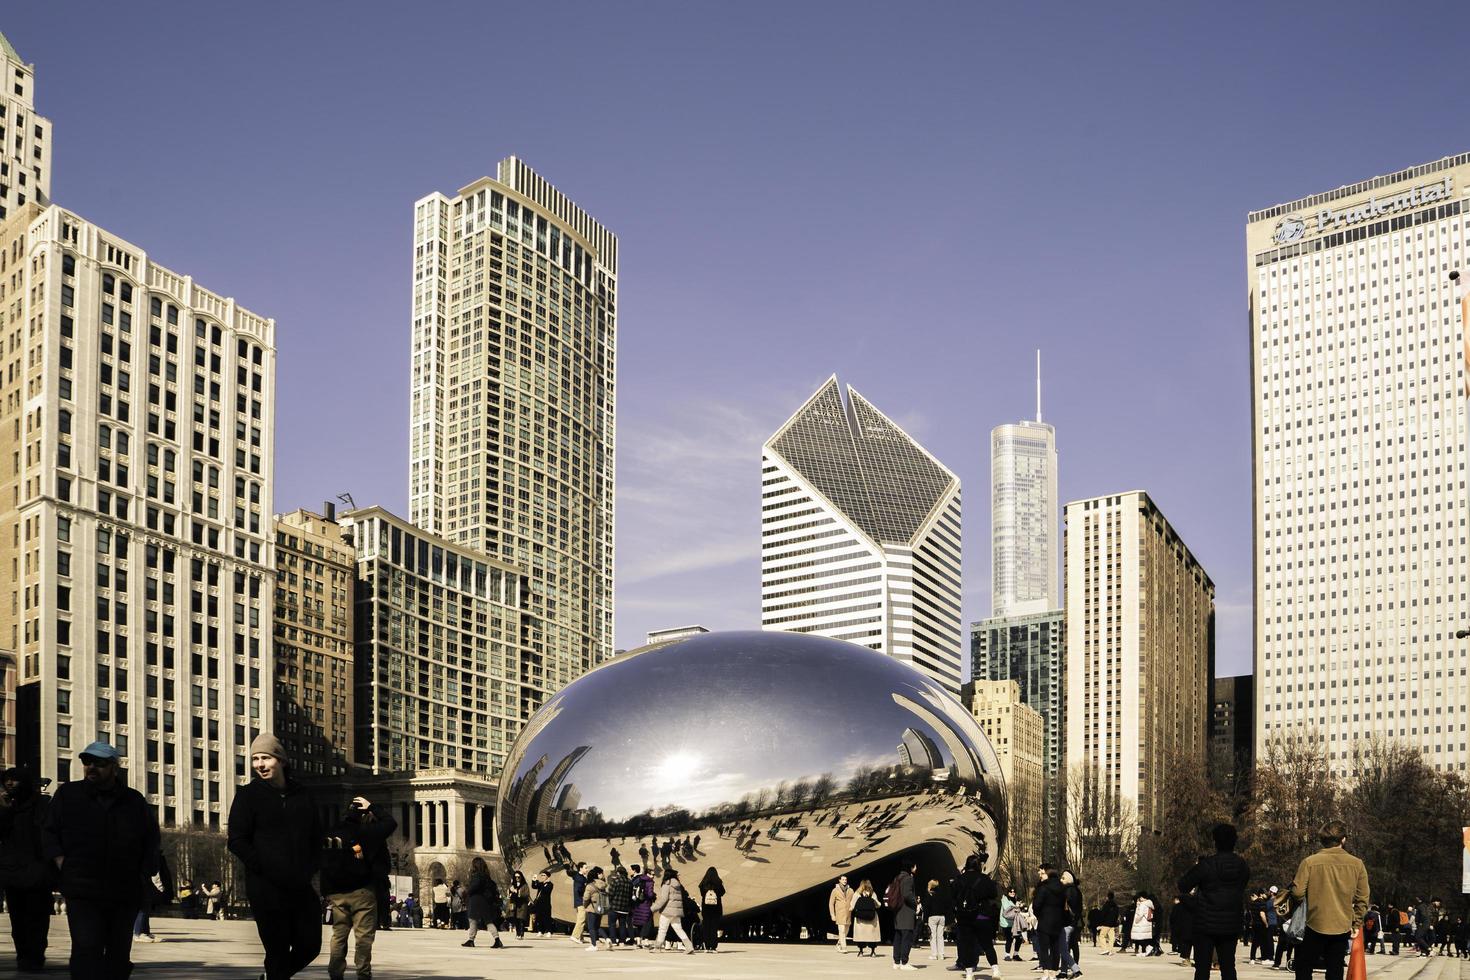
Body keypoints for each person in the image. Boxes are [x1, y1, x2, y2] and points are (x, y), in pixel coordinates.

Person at [41, 740, 159, 980]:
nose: (91, 767)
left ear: (115, 768)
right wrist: (61, 861)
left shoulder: (133, 800)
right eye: (87, 762)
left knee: (118, 953)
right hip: (82, 887)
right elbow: (48, 831)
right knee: (86, 948)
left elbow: (151, 839)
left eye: (99, 763)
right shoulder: (68, 794)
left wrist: (144, 872)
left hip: (123, 890)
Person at [227, 732, 323, 980]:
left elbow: (316, 836)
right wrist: (263, 866)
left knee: (310, 946)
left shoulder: (303, 795)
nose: (259, 764)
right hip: (265, 888)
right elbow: (237, 840)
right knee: (277, 950)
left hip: (299, 886)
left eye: (265, 758)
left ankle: (275, 976)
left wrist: (309, 868)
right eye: (255, 759)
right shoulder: (247, 796)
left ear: (280, 760)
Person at [319, 795, 396, 980]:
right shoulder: (368, 831)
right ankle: (363, 974)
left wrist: (325, 891)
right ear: (364, 815)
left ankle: (335, 974)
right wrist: (373, 806)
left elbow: (322, 860)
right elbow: (390, 823)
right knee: (363, 938)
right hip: (362, 891)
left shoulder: (331, 832)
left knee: (339, 935)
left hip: (336, 893)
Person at [1290, 819, 1370, 980]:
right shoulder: (1357, 864)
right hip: (1342, 924)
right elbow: (1363, 898)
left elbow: (1297, 893)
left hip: (1315, 922)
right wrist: (1356, 922)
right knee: (1335, 968)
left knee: (1304, 965)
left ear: (1322, 840)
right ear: (1343, 839)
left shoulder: (1309, 862)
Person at [1178, 822, 1249, 980]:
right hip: (1231, 922)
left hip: (1205, 922)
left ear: (1215, 841)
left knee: (1202, 969)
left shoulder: (1206, 865)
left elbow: (1183, 885)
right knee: (1229, 967)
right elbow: (1242, 886)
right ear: (1234, 841)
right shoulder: (1242, 865)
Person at [0, 766, 54, 973]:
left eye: (14, 780)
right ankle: (24, 955)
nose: (9, 783)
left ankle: (35, 955)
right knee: (18, 920)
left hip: (38, 872)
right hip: (13, 874)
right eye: (7, 780)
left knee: (37, 918)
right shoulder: (7, 808)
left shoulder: (42, 805)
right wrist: (4, 809)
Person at [952, 853, 999, 980]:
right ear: (979, 865)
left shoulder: (959, 879)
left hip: (964, 916)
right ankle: (995, 970)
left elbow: (953, 895)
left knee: (967, 944)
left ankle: (969, 973)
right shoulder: (984, 879)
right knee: (987, 944)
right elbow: (993, 894)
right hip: (981, 915)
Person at [649, 867, 694, 954]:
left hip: (667, 911)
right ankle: (689, 946)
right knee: (679, 929)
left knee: (662, 929)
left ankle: (657, 947)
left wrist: (653, 908)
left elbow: (664, 899)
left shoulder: (667, 884)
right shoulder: (677, 884)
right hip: (676, 911)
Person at [462, 856, 504, 948]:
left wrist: (467, 890)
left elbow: (474, 887)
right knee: (487, 921)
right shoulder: (486, 876)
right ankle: (497, 939)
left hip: (476, 900)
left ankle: (471, 940)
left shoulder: (477, 875)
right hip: (484, 901)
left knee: (473, 920)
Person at [1032, 865, 1068, 972]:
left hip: (1044, 920)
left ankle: (1046, 971)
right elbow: (1064, 906)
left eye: (1042, 874)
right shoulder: (1062, 889)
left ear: (1047, 874)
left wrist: (1039, 915)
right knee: (1055, 948)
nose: (1040, 876)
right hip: (1057, 921)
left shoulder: (1043, 888)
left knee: (1043, 948)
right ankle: (1053, 972)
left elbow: (1036, 905)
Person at [891, 858, 919, 970]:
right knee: (907, 937)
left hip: (898, 911)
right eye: (915, 866)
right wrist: (916, 903)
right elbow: (907, 895)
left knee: (898, 936)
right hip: (906, 911)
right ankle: (904, 962)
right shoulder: (908, 879)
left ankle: (896, 962)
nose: (916, 868)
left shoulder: (897, 877)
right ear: (911, 867)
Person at [850, 879, 882, 956]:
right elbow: (878, 905)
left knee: (861, 935)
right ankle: (873, 951)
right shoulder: (872, 893)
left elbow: (852, 905)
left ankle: (861, 951)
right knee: (872, 936)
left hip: (860, 918)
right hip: (871, 918)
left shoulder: (857, 894)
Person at [698, 867, 725, 952]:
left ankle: (707, 946)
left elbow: (702, 893)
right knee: (714, 928)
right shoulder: (718, 882)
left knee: (706, 927)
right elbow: (723, 892)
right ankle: (713, 947)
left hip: (706, 908)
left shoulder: (703, 883)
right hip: (716, 908)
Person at [629, 864, 656, 947]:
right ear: (647, 874)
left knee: (638, 922)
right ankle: (645, 940)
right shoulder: (649, 882)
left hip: (637, 904)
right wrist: (654, 896)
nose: (653, 876)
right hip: (646, 904)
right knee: (648, 922)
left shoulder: (638, 879)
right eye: (651, 874)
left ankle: (638, 941)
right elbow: (650, 894)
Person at [925, 877, 951, 962]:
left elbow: (927, 908)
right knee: (940, 936)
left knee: (933, 936)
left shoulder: (930, 895)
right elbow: (947, 906)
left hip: (932, 917)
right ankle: (941, 954)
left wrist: (925, 920)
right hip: (942, 917)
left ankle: (934, 954)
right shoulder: (942, 894)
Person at [606, 864, 632, 947]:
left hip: (614, 907)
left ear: (618, 873)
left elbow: (610, 893)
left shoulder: (615, 881)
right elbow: (630, 895)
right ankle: (622, 941)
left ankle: (613, 940)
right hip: (625, 908)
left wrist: (610, 902)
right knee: (623, 925)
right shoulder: (629, 882)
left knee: (612, 924)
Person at [582, 866, 608, 951]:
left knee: (591, 927)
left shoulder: (590, 886)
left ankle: (594, 945)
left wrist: (585, 906)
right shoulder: (603, 884)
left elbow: (586, 898)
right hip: (600, 907)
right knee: (597, 926)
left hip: (592, 908)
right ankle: (607, 939)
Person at [829, 874, 853, 952]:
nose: (845, 881)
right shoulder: (835, 890)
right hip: (839, 914)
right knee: (841, 930)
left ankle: (839, 944)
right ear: (839, 880)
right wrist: (832, 914)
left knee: (846, 930)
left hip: (848, 913)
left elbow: (854, 900)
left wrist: (852, 907)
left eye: (845, 879)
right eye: (843, 879)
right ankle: (844, 947)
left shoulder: (850, 890)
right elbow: (831, 903)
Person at [567, 861, 588, 943]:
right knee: (581, 919)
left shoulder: (578, 876)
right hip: (581, 901)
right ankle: (575, 936)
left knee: (580, 919)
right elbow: (579, 889)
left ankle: (580, 937)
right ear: (581, 868)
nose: (587, 869)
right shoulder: (580, 878)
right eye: (585, 868)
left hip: (578, 900)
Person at [505, 870, 530, 939]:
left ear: (521, 877)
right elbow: (508, 894)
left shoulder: (525, 885)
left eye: (518, 877)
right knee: (515, 920)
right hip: (514, 904)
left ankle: (521, 934)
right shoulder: (512, 885)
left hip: (522, 904)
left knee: (521, 919)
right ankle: (517, 933)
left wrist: (517, 892)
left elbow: (527, 894)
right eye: (515, 877)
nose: (517, 878)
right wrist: (510, 892)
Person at [529, 871, 554, 936]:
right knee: (539, 917)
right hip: (539, 903)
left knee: (547, 918)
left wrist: (544, 883)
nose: (542, 877)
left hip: (546, 904)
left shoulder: (550, 884)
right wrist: (534, 881)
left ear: (547, 877)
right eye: (542, 875)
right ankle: (540, 931)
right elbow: (534, 886)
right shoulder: (541, 884)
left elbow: (546, 891)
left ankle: (549, 931)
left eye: (544, 875)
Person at [1097, 891, 1118, 955]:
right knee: (1111, 938)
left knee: (1102, 936)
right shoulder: (1115, 906)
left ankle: (1104, 949)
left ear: (1107, 897)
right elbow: (1117, 915)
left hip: (1106, 923)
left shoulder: (1106, 905)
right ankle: (1110, 950)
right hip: (1112, 924)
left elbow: (1103, 914)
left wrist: (1100, 923)